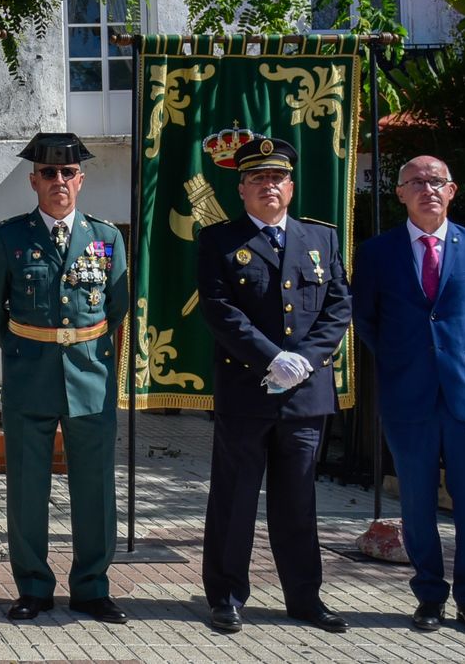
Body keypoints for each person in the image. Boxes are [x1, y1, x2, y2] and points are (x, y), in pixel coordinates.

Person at [195, 137, 350, 634]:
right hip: (246, 391)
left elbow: (338, 306)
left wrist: (302, 362)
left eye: (277, 178)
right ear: (241, 189)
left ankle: (305, 598)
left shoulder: (320, 239)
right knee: (235, 499)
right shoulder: (219, 240)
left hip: (305, 396)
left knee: (299, 503)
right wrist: (271, 358)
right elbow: (220, 310)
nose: (269, 186)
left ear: (291, 186)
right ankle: (225, 597)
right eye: (258, 178)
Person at [0, 132, 129, 625]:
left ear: (81, 180)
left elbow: (116, 306)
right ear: (33, 180)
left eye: (67, 173)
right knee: (26, 489)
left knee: (95, 489)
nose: (58, 181)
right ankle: (33, 587)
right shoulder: (9, 236)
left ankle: (92, 587)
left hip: (91, 378)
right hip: (30, 379)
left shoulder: (107, 237)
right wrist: (24, 352)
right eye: (49, 173)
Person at [353, 156, 465, 638]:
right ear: (399, 193)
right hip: (408, 395)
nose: (427, 189)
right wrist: (405, 361)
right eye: (416, 182)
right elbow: (368, 321)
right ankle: (429, 597)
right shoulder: (377, 253)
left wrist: (460, 360)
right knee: (416, 502)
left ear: (452, 190)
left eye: (436, 181)